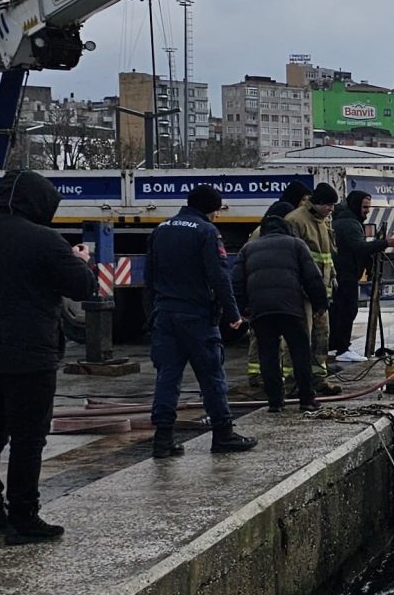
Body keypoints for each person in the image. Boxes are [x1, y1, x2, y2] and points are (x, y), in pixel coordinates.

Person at [0, 169, 96, 544]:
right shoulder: (46, 240)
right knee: (29, 437)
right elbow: (83, 286)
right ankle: (24, 516)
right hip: (30, 356)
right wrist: (80, 259)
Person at [143, 184, 257, 458]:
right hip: (196, 318)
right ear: (211, 208)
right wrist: (233, 315)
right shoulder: (207, 232)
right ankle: (223, 433)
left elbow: (149, 278)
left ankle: (163, 440)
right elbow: (219, 277)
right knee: (212, 376)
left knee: (167, 377)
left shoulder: (161, 230)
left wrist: (152, 315)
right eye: (217, 210)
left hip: (165, 315)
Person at [231, 215, 326, 413]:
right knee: (300, 353)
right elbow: (312, 277)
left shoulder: (248, 249)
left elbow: (237, 283)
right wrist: (320, 305)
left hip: (261, 310)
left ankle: (275, 402)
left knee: (268, 355)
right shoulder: (296, 245)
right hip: (290, 308)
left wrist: (240, 310)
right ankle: (307, 400)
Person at [329, 190, 388, 363]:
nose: (367, 211)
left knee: (338, 311)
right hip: (345, 274)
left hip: (342, 274)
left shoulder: (345, 221)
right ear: (355, 205)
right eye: (364, 207)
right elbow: (359, 248)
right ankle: (342, 349)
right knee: (348, 310)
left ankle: (334, 346)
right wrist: (385, 243)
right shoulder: (350, 224)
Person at [283, 182, 339, 361]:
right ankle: (296, 378)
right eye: (328, 205)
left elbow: (327, 255)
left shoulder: (322, 221)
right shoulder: (295, 220)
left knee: (321, 335)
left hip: (321, 291)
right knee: (302, 335)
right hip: (302, 291)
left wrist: (333, 279)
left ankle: (318, 376)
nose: (331, 209)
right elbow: (291, 258)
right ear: (318, 202)